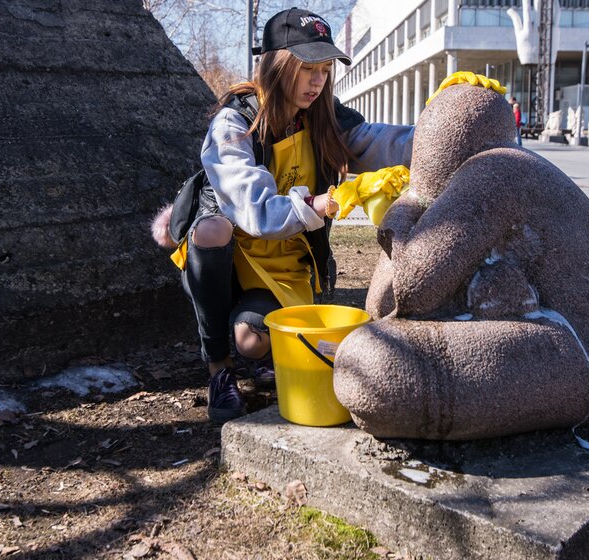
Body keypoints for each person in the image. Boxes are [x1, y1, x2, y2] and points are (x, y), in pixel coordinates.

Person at [176, 8, 415, 424]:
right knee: (213, 229)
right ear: (277, 64)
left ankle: (257, 349)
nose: (318, 81)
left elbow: (378, 140)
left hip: (285, 266)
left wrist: (441, 131)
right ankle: (218, 368)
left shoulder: (325, 115)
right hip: (230, 262)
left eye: (324, 69)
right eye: (307, 68)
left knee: (250, 339)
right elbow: (256, 210)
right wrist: (319, 204)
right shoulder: (234, 122)